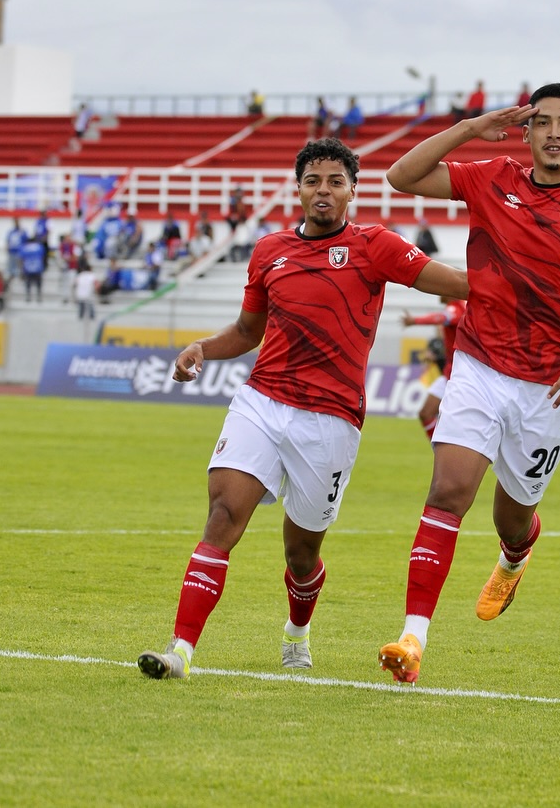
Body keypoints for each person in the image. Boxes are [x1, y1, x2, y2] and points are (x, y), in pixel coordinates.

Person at [137, 138, 469, 680]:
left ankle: (296, 632)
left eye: (335, 181)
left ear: (353, 191)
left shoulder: (376, 246)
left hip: (332, 421)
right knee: (223, 516)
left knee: (301, 553)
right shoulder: (269, 251)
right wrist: (202, 346)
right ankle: (180, 652)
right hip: (262, 402)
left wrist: (526, 282)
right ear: (298, 189)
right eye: (313, 181)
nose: (323, 190)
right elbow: (248, 331)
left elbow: (455, 284)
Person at [376, 84, 560, 684]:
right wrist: (472, 126)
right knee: (449, 489)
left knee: (512, 514)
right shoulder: (491, 177)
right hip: (477, 364)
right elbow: (401, 176)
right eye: (543, 123)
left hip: (552, 385)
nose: (554, 133)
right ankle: (413, 639)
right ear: (525, 134)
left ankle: (516, 553)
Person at [402, 294, 467, 440]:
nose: (438, 293)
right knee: (425, 413)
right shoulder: (461, 308)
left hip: (458, 377)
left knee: (459, 421)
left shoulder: (456, 308)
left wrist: (414, 321)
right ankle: (441, 450)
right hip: (450, 374)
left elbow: (441, 317)